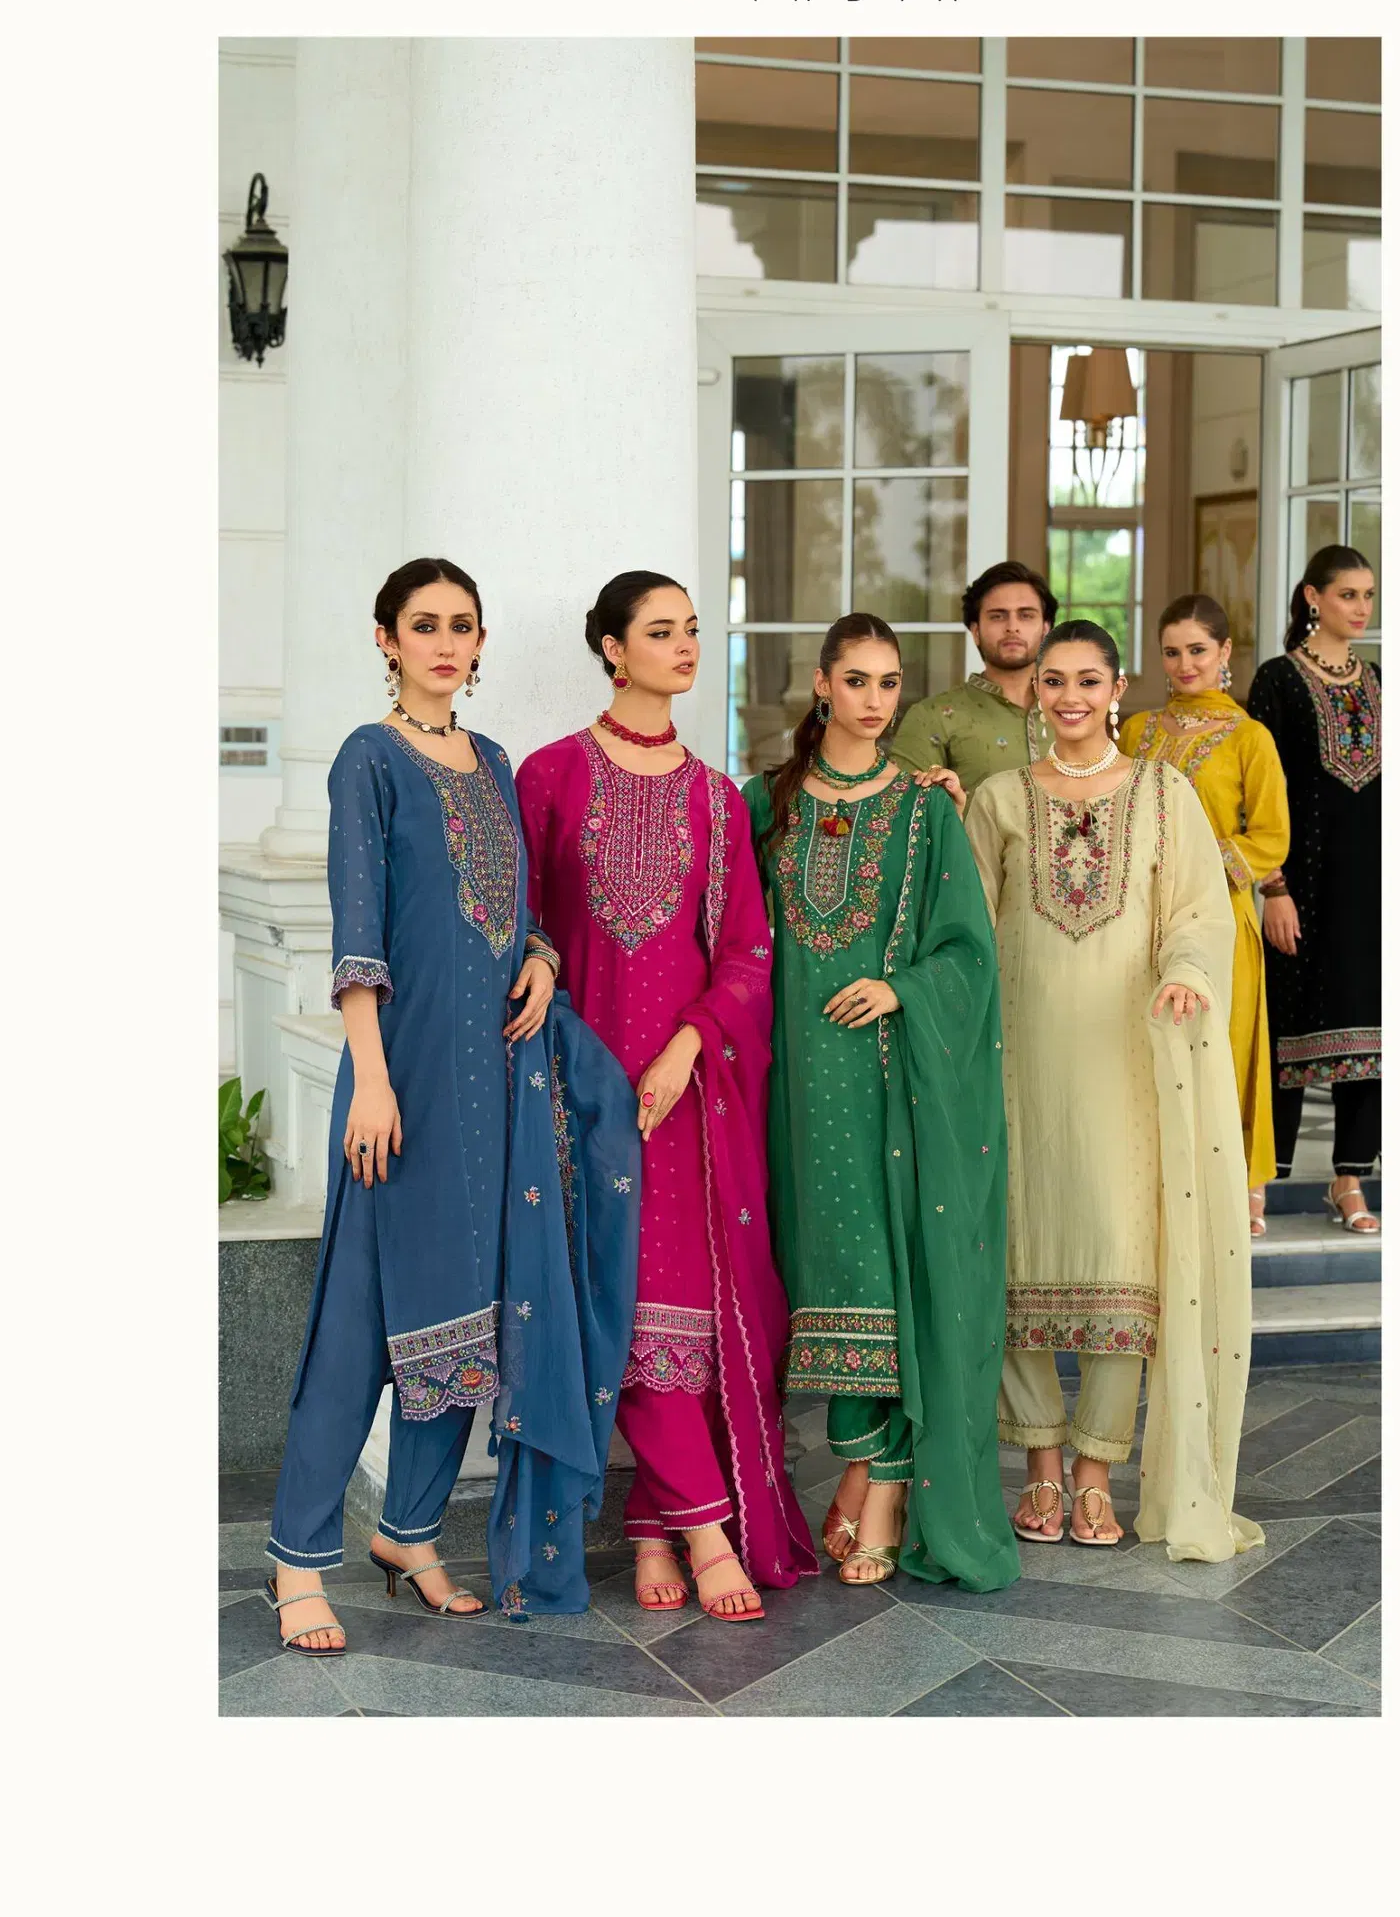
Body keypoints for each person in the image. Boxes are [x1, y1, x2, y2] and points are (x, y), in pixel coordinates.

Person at [266, 559, 641, 1655]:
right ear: (386, 638)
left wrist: (541, 956)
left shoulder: (492, 761)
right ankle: (297, 1559)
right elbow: (359, 929)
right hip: (403, 1078)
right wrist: (372, 1079)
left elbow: (515, 906)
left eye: (461, 625)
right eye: (422, 624)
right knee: (360, 1323)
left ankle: (411, 1535)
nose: (443, 641)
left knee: (474, 1321)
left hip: (499, 1081)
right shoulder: (368, 759)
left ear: (479, 645)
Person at [516, 572, 817, 1624]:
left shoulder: (716, 799)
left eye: (692, 628)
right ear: (611, 648)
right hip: (578, 1084)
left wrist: (689, 1045)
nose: (686, 645)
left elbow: (745, 952)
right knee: (614, 1293)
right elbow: (525, 930)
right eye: (661, 630)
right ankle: (703, 1528)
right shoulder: (550, 775)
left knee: (676, 1304)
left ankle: (656, 1521)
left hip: (686, 1089)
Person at [963, 619, 1264, 1563]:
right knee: (1018, 1245)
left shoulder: (1165, 794)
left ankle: (1096, 1468)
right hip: (1016, 1059)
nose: (1070, 698)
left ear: (1118, 688)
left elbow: (1197, 912)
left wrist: (1187, 972)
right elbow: (968, 926)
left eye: (1088, 680)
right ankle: (1041, 1465)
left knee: (1122, 1253)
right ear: (1036, 691)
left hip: (1128, 1059)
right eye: (1054, 681)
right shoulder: (999, 799)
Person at [742, 615, 1018, 1594]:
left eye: (889, 682)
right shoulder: (763, 802)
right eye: (855, 679)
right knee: (817, 1271)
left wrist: (900, 988)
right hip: (787, 1082)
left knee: (880, 1267)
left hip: (887, 1082)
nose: (873, 699)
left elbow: (968, 952)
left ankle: (887, 1485)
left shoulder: (924, 809)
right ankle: (863, 1471)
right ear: (822, 684)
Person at [1120, 595, 1290, 1236]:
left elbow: (1271, 837)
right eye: (1172, 652)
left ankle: (1242, 1182)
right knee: (1153, 1042)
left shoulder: (1250, 738)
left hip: (1221, 917)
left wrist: (1198, 861)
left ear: (1225, 652)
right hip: (1144, 915)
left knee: (1225, 1042)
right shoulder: (1136, 732)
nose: (1185, 663)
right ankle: (1166, 1180)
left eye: (1197, 649)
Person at [1247, 547, 1381, 1232]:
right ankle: (1260, 1181)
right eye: (1348, 594)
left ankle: (1349, 1179)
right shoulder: (1276, 681)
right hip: (1299, 884)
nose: (1361, 608)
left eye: (1368, 595)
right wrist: (1273, 887)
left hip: (1374, 886)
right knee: (1285, 1028)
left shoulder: (1381, 681)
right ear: (1312, 597)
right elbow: (1259, 793)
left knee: (1375, 1030)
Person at [892, 560, 1055, 794]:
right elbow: (906, 809)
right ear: (976, 631)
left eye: (1026, 615)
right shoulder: (932, 717)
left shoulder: (1073, 711)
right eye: (998, 616)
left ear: (1046, 629)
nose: (1012, 626)